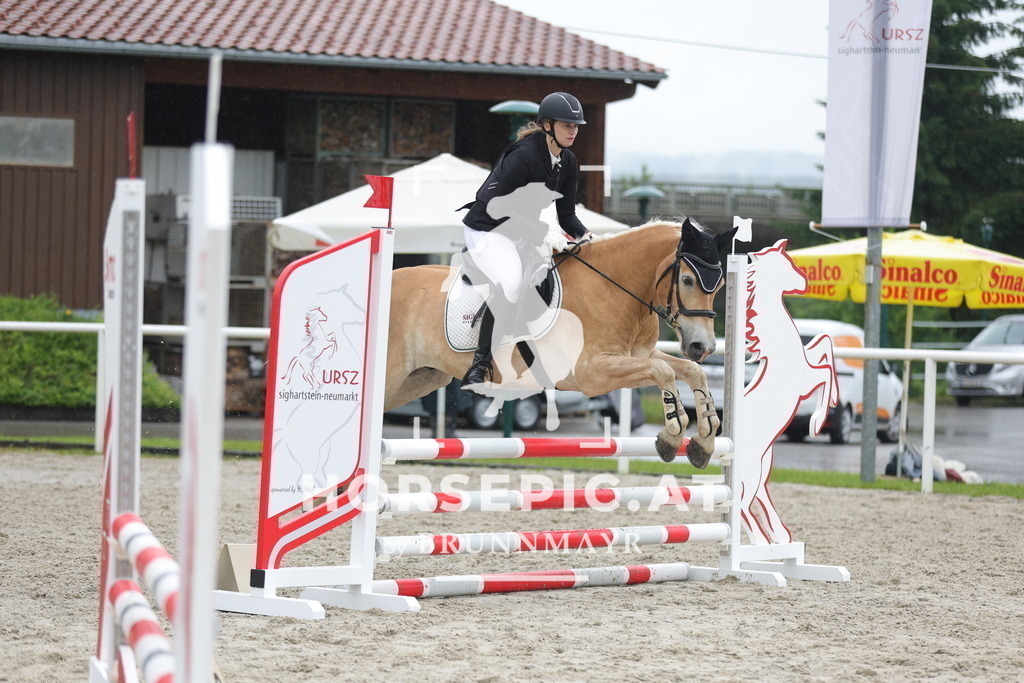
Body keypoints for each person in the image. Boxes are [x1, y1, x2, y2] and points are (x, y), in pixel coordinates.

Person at [459, 92, 592, 393]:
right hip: (487, 229)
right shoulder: (524, 155)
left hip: (520, 232)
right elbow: (496, 207)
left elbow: (568, 215)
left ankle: (535, 351)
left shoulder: (567, 162)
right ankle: (480, 364)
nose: (573, 130)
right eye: (566, 124)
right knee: (511, 281)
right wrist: (543, 233)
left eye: (577, 125)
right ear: (547, 125)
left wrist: (588, 238)